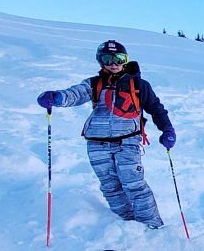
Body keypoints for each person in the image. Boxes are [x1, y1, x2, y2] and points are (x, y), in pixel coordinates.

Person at [36, 40, 174, 229]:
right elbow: (76, 93)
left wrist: (167, 130)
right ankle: (126, 224)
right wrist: (58, 97)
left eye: (119, 58)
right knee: (110, 186)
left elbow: (156, 109)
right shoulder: (94, 83)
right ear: (100, 61)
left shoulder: (139, 85)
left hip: (127, 141)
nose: (113, 63)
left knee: (134, 183)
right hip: (96, 143)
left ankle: (152, 225)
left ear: (125, 60)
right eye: (107, 59)